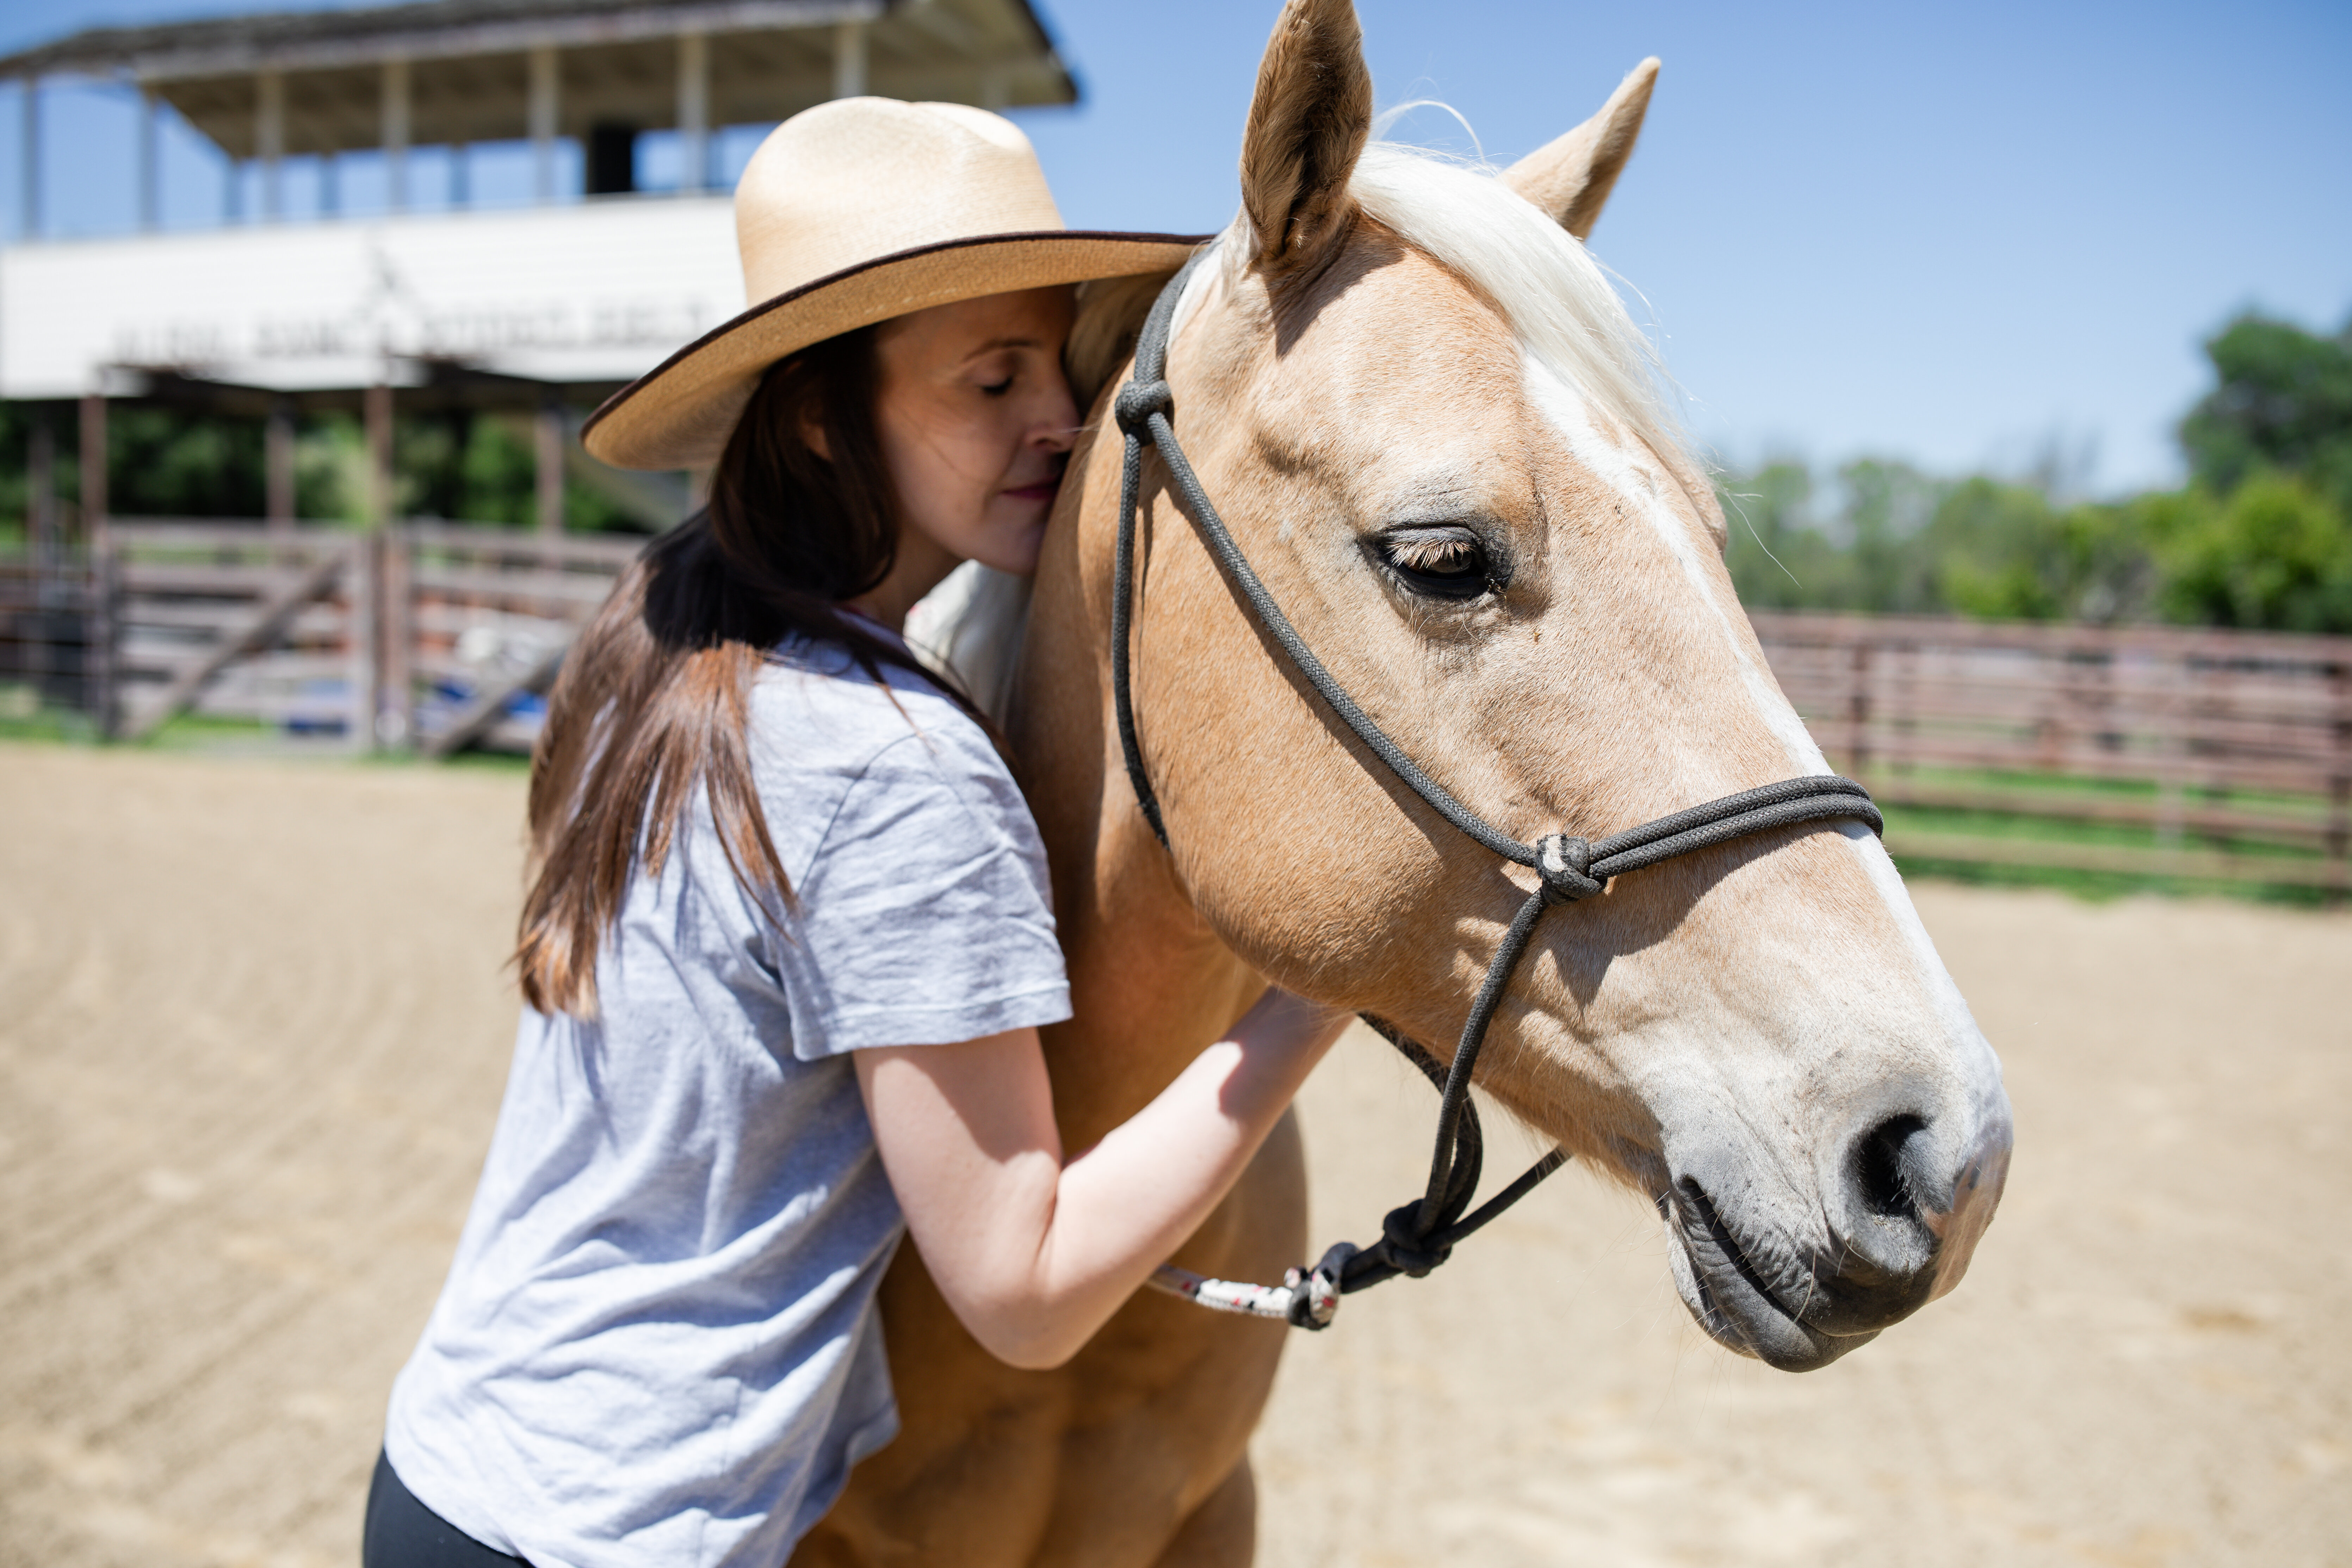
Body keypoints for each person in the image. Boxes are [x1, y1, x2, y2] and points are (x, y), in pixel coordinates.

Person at [364, 98, 1350, 1568]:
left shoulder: (663, 641)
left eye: (1054, 362)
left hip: (454, 1472)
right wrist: (1310, 996)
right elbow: (1022, 1292)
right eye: (987, 378)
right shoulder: (900, 773)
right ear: (824, 413)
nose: (1053, 421)